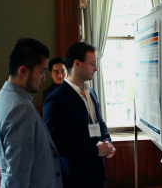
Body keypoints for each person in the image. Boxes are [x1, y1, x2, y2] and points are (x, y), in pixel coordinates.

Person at [0, 38, 63, 188]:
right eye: (41, 72)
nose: (43, 78)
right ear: (23, 71)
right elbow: (17, 176)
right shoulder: (21, 108)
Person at [43, 42, 116, 188]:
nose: (96, 68)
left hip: (98, 172)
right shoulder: (55, 99)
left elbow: (99, 122)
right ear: (77, 63)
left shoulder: (92, 92)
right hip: (75, 177)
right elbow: (58, 144)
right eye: (92, 64)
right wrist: (95, 150)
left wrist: (108, 142)